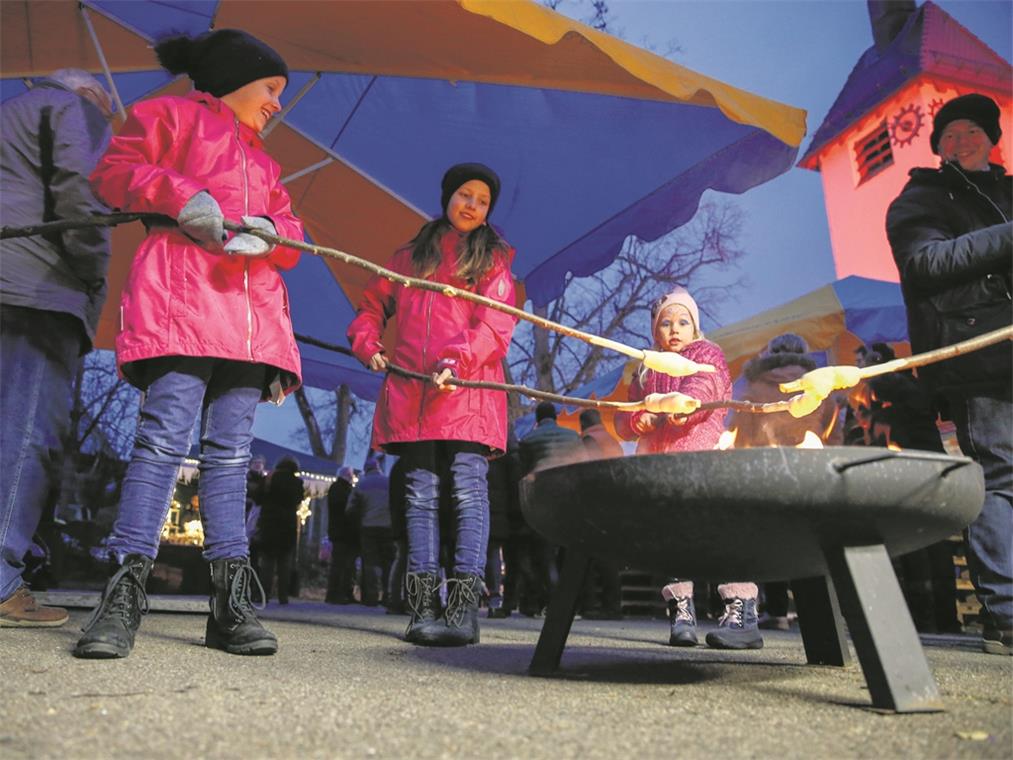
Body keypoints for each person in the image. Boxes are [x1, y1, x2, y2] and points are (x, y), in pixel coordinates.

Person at [73, 29, 304, 659]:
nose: (277, 104)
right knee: (160, 441)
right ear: (233, 78)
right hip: (181, 304)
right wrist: (182, 195)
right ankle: (122, 596)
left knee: (230, 455)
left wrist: (273, 230)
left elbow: (293, 234)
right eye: (271, 89)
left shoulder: (265, 163)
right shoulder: (164, 117)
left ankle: (231, 605)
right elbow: (114, 173)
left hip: (251, 324)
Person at [348, 162, 517, 646]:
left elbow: (494, 326)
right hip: (412, 390)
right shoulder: (409, 257)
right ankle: (422, 602)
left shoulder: (494, 261)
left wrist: (459, 362)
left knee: (468, 491)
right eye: (465, 195)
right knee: (419, 495)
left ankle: (463, 605)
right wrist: (367, 342)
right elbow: (370, 306)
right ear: (447, 197)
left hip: (468, 391)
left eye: (482, 201)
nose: (471, 206)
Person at [885, 92, 1011, 656]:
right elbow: (925, 263)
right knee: (1000, 476)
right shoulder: (922, 196)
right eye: (950, 134)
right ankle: (1007, 612)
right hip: (980, 358)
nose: (962, 141)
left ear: (993, 139)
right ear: (937, 147)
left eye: (973, 132)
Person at [1, 69, 114, 627]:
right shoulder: (73, 110)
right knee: (25, 431)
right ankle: (0, 579)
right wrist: (93, 271)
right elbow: (79, 192)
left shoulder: (9, 115)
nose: (107, 127)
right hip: (37, 291)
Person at [614, 287, 763, 650]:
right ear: (655, 330)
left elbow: (705, 387)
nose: (674, 329)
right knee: (672, 537)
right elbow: (624, 418)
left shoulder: (706, 355)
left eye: (683, 321)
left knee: (717, 531)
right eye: (665, 323)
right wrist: (639, 422)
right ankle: (681, 611)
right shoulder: (647, 368)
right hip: (661, 466)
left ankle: (740, 609)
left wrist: (683, 406)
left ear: (695, 327)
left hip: (702, 460)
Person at [727, 333, 842, 631]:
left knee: (771, 540)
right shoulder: (819, 386)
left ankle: (777, 610)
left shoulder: (754, 386)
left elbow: (740, 431)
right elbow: (833, 433)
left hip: (767, 472)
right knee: (809, 541)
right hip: (810, 473)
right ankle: (819, 614)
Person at [517, 401, 587, 617]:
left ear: (538, 419)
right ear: (555, 417)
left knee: (546, 556)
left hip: (543, 498)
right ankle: (572, 604)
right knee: (568, 554)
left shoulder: (528, 440)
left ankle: (553, 604)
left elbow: (522, 473)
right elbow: (583, 464)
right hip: (569, 498)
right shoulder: (573, 436)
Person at [577, 409, 624, 619]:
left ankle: (596, 606)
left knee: (594, 558)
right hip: (615, 501)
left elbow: (589, 471)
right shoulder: (612, 440)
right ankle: (613, 605)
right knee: (610, 559)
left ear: (583, 424)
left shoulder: (589, 440)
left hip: (597, 503)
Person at [257, 457, 304, 605]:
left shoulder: (269, 479)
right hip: (287, 525)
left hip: (269, 524)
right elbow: (298, 501)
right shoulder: (297, 483)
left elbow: (259, 498)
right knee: (285, 562)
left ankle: (264, 593)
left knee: (267, 562)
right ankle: (283, 595)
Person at [349, 454, 394, 607]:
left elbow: (350, 508)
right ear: (378, 468)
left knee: (370, 562)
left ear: (366, 470)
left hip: (368, 527)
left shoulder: (361, 484)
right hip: (388, 527)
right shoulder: (388, 482)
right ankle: (389, 595)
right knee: (388, 562)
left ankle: (371, 596)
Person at [324, 467, 358, 605]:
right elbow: (345, 509)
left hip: (340, 532)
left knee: (342, 564)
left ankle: (340, 593)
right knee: (341, 564)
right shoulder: (341, 489)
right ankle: (336, 594)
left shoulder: (337, 488)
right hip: (343, 532)